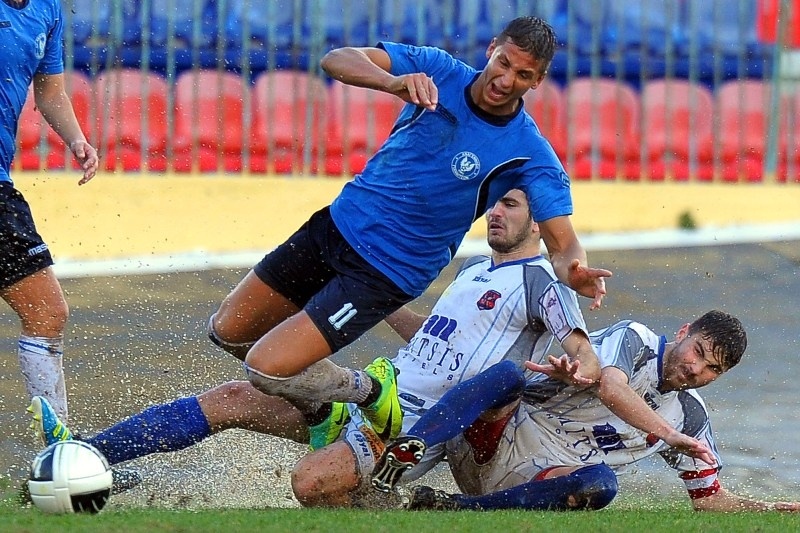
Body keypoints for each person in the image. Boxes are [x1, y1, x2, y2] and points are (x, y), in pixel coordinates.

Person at [29, 189, 698, 505]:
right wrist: (376, 304)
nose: (495, 213)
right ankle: (91, 453)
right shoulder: (473, 272)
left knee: (307, 484)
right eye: (493, 204)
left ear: (540, 221)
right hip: (379, 394)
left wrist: (574, 360)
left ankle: (381, 484)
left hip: (410, 429)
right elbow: (436, 335)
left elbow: (580, 345)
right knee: (235, 394)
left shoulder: (542, 281)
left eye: (513, 205)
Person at [207, 15, 611, 445]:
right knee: (229, 331)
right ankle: (322, 413)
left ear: (538, 80)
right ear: (492, 47)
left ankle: (372, 393)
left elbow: (563, 244)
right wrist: (391, 83)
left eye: (523, 75)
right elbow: (337, 59)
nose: (506, 79)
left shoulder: (529, 154)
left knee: (266, 366)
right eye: (504, 62)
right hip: (335, 227)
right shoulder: (437, 69)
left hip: (386, 271)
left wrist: (574, 271)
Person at [370, 311, 800, 513]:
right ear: (684, 332)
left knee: (601, 485)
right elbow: (613, 387)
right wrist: (666, 435)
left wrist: (770, 511)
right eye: (699, 351)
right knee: (506, 373)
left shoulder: (691, 417)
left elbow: (710, 502)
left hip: (536, 482)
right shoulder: (636, 339)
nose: (696, 368)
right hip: (496, 432)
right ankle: (414, 443)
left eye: (712, 369)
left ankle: (453, 509)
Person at [1, 0, 99, 423]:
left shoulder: (47, 9)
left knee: (46, 313)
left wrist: (76, 139)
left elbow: (51, 91)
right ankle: (59, 450)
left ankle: (57, 447)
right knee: (46, 312)